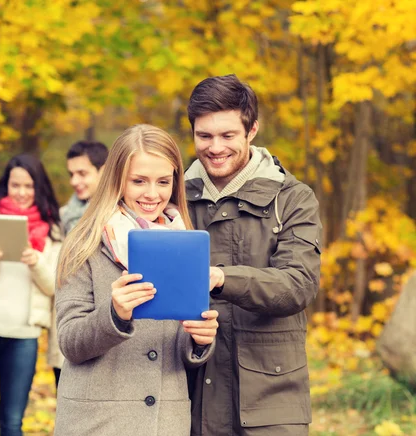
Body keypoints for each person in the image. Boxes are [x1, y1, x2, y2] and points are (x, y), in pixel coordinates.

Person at [54, 124, 220, 436]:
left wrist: (200, 339)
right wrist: (113, 314)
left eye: (163, 181)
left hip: (165, 422)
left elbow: (177, 349)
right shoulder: (84, 242)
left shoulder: (185, 242)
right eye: (139, 181)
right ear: (117, 179)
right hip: (97, 423)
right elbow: (70, 342)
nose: (152, 193)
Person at [184, 74, 322, 436]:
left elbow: (299, 284)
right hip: (191, 392)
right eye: (204, 136)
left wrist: (223, 277)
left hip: (273, 398)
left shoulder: (292, 198)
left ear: (252, 130)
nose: (215, 147)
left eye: (228, 135)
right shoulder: (173, 196)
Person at [0, 154, 62, 436]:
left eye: (28, 186)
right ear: (6, 186)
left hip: (23, 336)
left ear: (38, 188)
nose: (21, 193)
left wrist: (36, 262)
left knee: (12, 422)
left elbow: (54, 287)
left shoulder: (52, 231)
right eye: (15, 185)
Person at [51, 139, 109, 387]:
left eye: (82, 173)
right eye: (71, 174)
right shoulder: (63, 216)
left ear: (104, 170)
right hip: (71, 324)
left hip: (109, 325)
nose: (75, 181)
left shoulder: (120, 216)